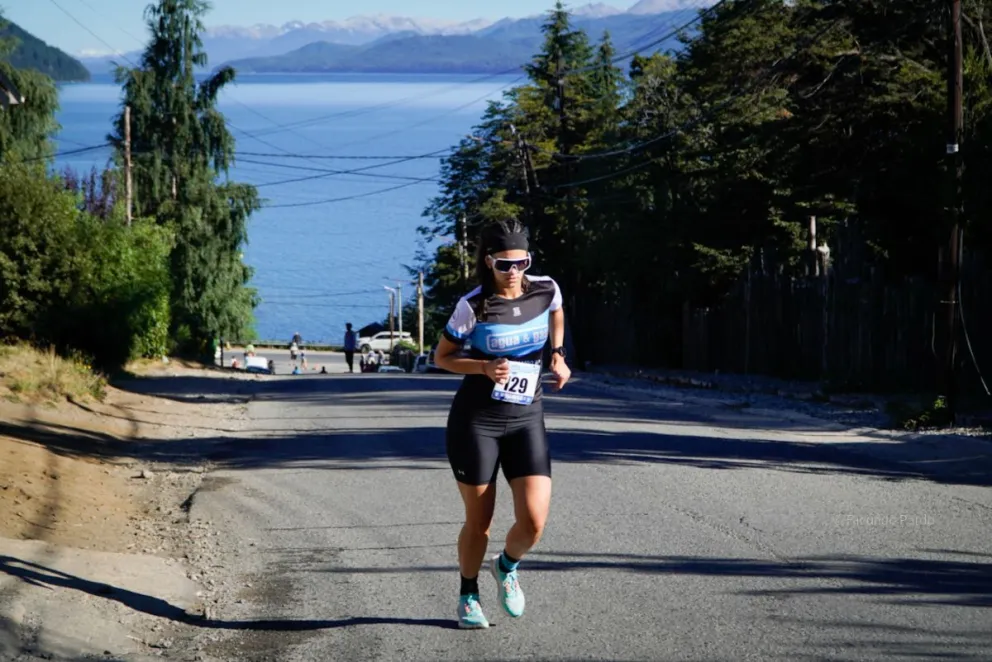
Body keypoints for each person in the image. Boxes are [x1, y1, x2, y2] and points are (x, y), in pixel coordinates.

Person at [433, 218, 571, 629]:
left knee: (534, 521)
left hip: (527, 417)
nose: (513, 272)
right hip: (477, 422)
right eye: (504, 264)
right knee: (480, 522)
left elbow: (556, 312)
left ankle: (506, 566)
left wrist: (558, 353)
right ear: (488, 261)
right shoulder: (473, 305)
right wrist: (483, 367)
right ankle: (468, 595)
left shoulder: (545, 288)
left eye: (521, 263)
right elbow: (442, 357)